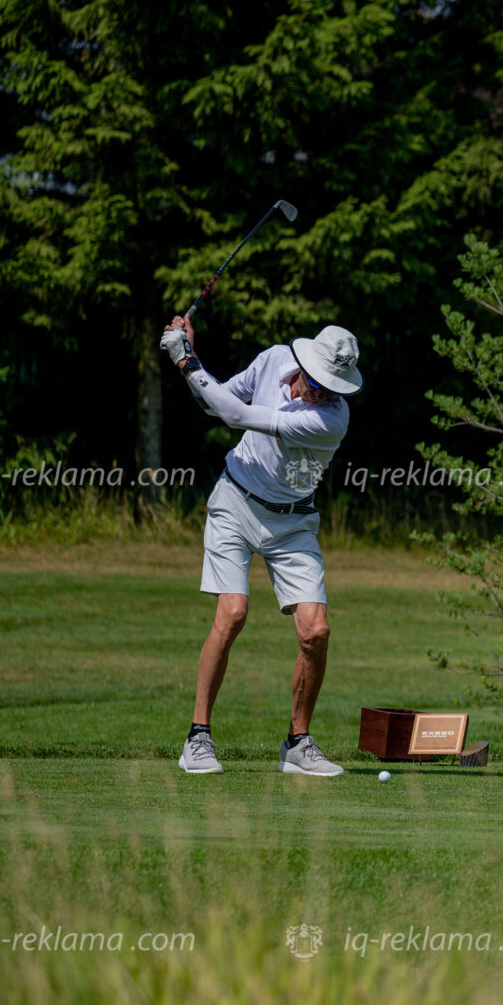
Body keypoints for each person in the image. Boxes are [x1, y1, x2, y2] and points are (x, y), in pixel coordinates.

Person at [159, 315, 363, 777]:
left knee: (316, 631)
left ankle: (297, 743)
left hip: (293, 525)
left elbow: (233, 415)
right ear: (305, 365)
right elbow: (220, 402)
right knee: (232, 613)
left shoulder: (330, 420)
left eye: (334, 388)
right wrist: (190, 361)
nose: (323, 392)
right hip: (235, 502)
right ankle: (198, 738)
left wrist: (184, 359)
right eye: (318, 382)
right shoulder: (273, 359)